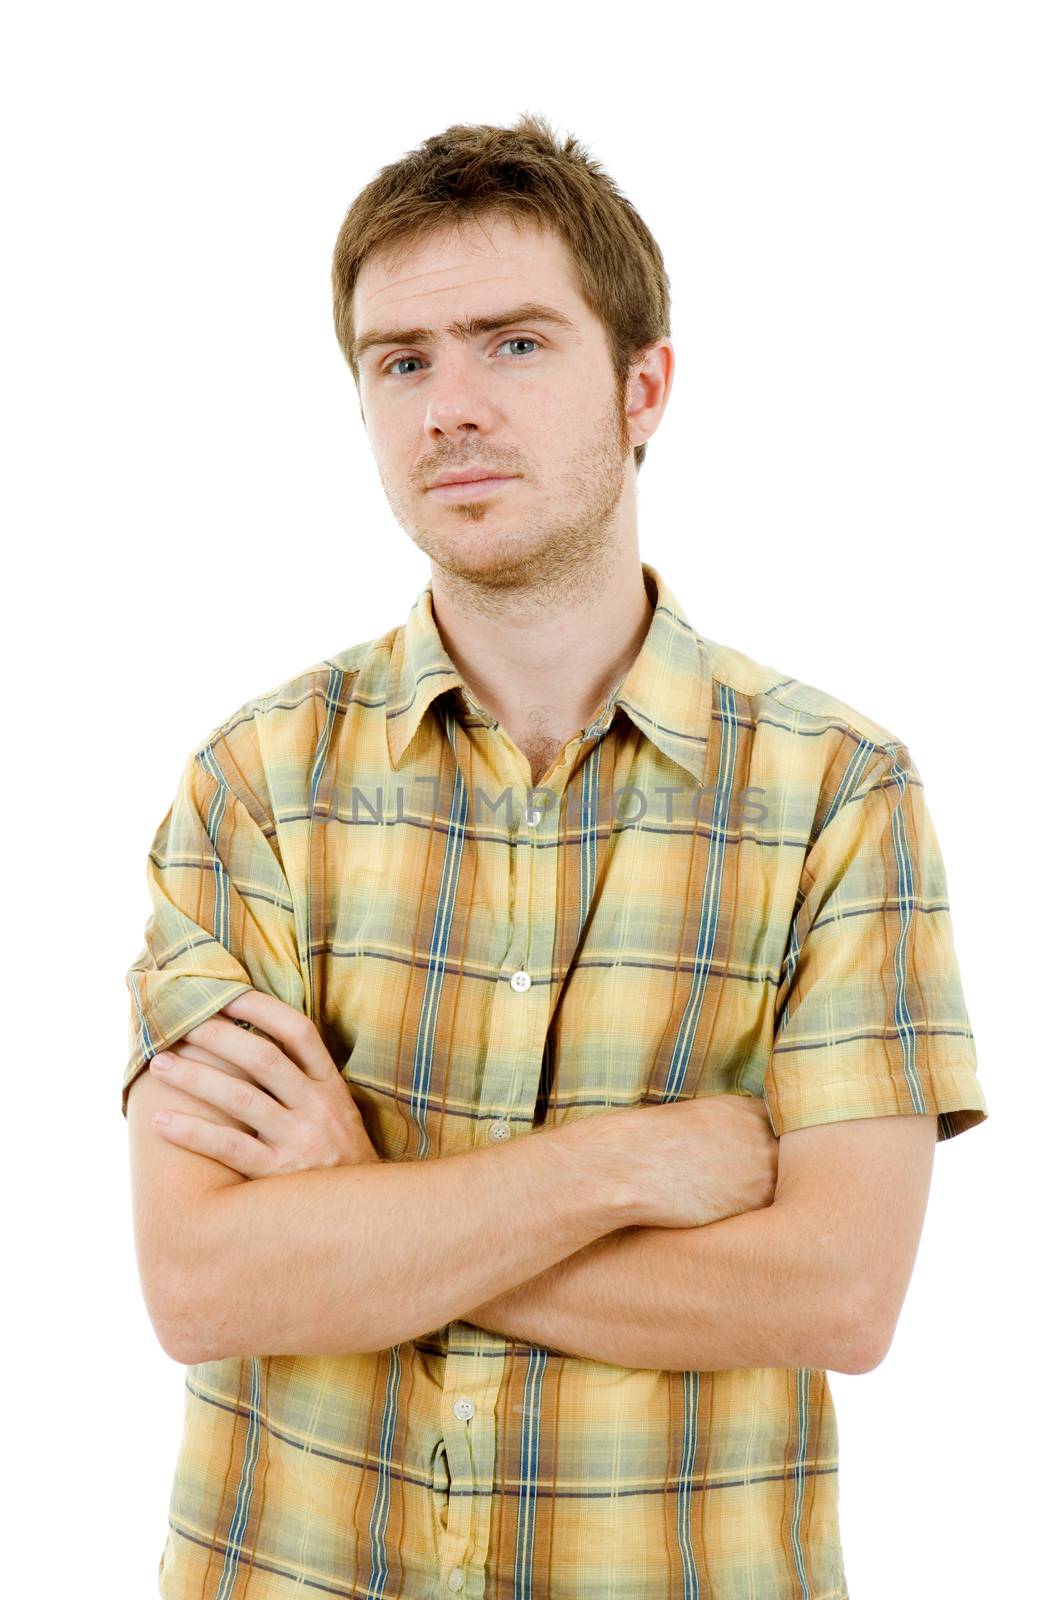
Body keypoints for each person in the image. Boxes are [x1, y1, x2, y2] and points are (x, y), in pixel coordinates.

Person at [123, 112, 988, 1600]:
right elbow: (205, 1281)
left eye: (512, 344)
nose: (448, 404)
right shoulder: (252, 784)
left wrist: (367, 1206)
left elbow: (838, 1293)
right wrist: (626, 1166)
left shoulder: (839, 793)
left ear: (645, 386)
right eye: (401, 361)